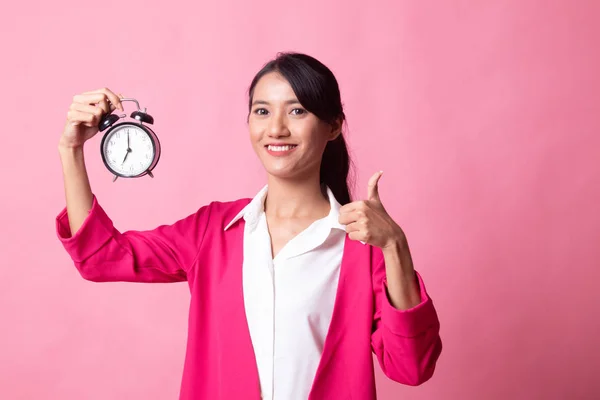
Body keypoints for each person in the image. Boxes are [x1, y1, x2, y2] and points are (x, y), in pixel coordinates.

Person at [56, 52, 442, 400]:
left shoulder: (365, 248)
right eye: (262, 111)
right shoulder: (212, 232)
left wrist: (395, 246)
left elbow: (411, 368)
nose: (275, 129)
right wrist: (71, 150)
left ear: (334, 126)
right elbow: (100, 257)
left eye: (297, 111)